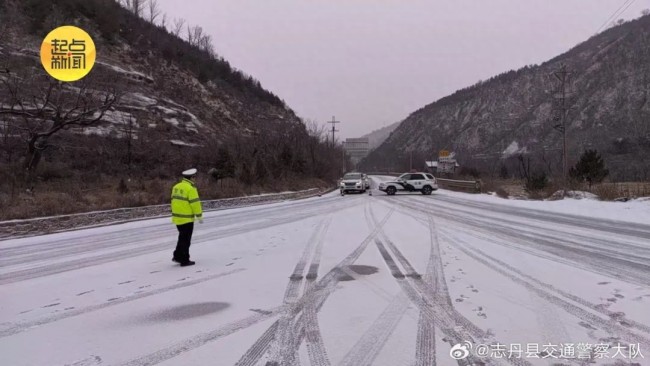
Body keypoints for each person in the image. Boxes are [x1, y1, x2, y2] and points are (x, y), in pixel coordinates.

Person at [170, 168, 203, 266]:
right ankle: (184, 260)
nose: (195, 179)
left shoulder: (176, 187)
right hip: (187, 219)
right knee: (186, 240)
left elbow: (173, 201)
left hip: (177, 218)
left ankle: (177, 256)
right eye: (195, 177)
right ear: (192, 177)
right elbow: (195, 204)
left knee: (182, 238)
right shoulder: (191, 189)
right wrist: (199, 216)